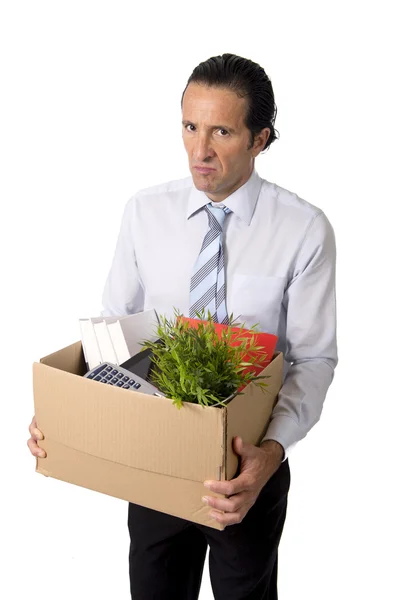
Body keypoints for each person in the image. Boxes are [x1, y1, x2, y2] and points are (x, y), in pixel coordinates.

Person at [28, 53, 338, 599]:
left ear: (260, 138)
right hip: (155, 452)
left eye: (221, 131)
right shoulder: (145, 212)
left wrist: (270, 454)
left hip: (245, 468)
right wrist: (67, 412)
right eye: (190, 127)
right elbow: (111, 335)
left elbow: (313, 359)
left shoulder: (304, 230)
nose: (200, 151)